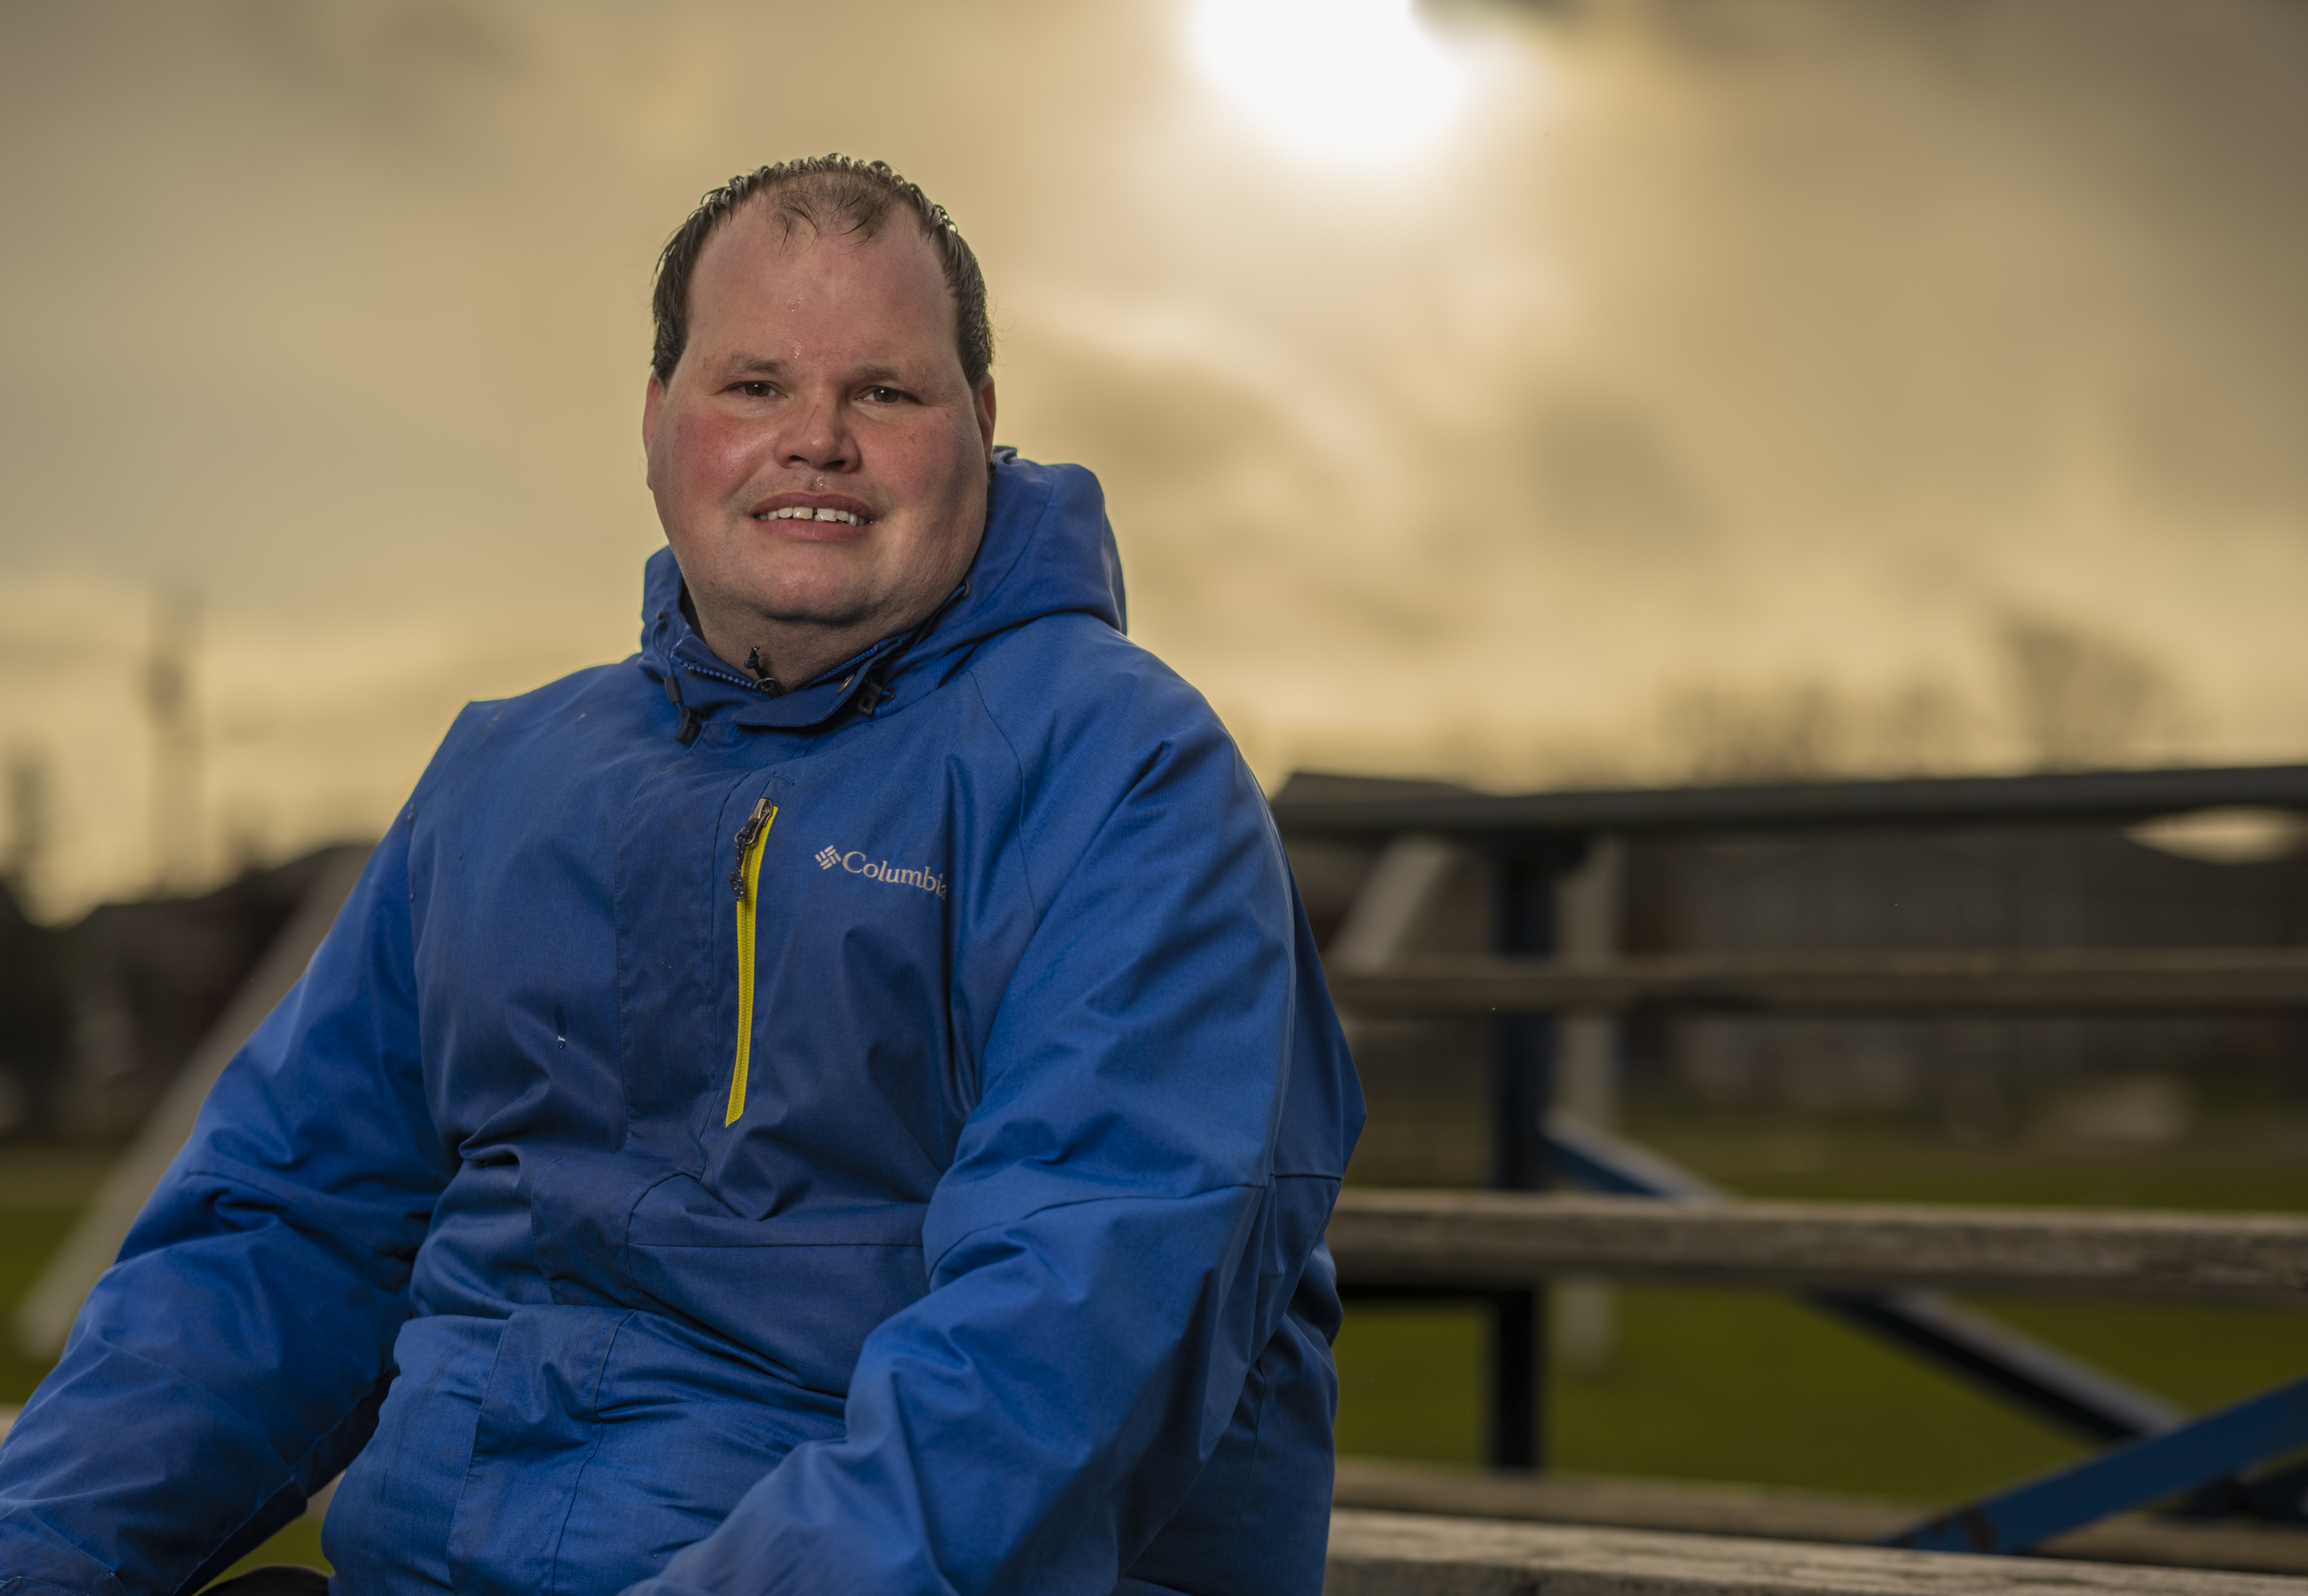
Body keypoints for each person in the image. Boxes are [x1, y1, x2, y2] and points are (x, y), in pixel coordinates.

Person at [0, 156, 1362, 1596]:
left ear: (981, 426)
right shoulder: (504, 778)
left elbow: (1066, 1348)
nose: (817, 440)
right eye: (754, 385)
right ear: (657, 425)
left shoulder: (1122, 777)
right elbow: (283, 1238)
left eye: (886, 392)